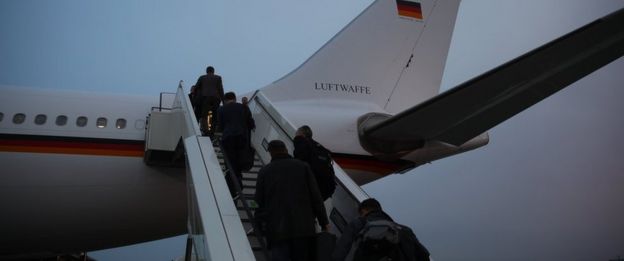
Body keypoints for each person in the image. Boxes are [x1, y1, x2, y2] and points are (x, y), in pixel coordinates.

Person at [255, 140, 330, 261]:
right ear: (285, 149)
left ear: (270, 153)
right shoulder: (303, 166)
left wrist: (259, 224)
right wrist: (323, 222)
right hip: (304, 230)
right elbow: (316, 197)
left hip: (277, 231)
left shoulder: (265, 171)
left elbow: (258, 200)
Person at [332, 198, 430, 261]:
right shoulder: (404, 230)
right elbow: (424, 255)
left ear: (364, 211)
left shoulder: (358, 223)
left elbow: (340, 252)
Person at [218, 92, 253, 197]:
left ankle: (232, 187)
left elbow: (220, 125)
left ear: (225, 100)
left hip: (228, 138)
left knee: (229, 162)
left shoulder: (221, 109)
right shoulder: (243, 107)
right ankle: (237, 183)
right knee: (239, 161)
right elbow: (250, 123)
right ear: (234, 98)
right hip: (242, 137)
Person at [293, 125, 336, 201]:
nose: (295, 135)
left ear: (302, 134)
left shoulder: (300, 142)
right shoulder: (319, 147)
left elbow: (299, 162)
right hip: (325, 188)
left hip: (308, 186)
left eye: (296, 133)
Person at [195, 66, 224, 137]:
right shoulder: (218, 78)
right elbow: (220, 89)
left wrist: (197, 97)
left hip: (205, 98)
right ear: (213, 71)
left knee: (204, 116)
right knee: (214, 116)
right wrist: (223, 100)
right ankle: (212, 132)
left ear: (206, 71)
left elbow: (196, 87)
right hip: (216, 99)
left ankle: (206, 131)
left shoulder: (202, 77)